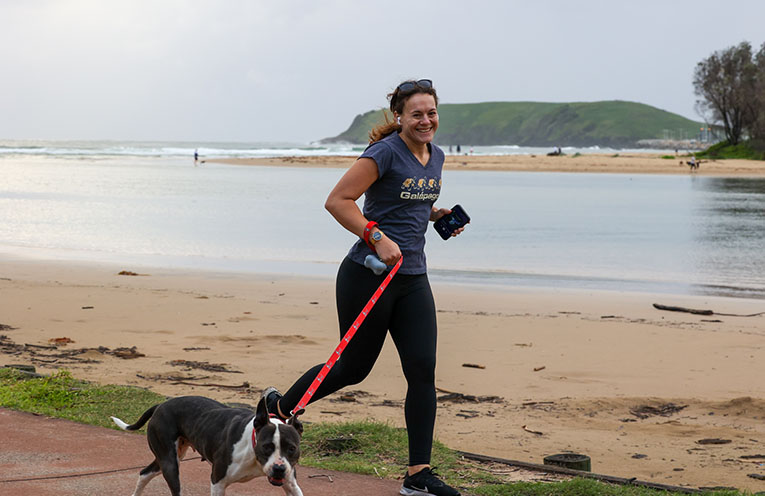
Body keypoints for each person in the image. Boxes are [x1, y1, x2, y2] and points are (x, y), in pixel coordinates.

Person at [265, 78, 464, 496]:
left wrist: (435, 214)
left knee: (422, 371)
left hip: (413, 277)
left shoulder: (437, 155)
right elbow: (338, 200)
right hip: (368, 275)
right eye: (416, 114)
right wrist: (376, 236)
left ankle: (418, 475)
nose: (425, 120)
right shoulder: (383, 152)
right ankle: (278, 408)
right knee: (352, 369)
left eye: (431, 113)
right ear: (399, 116)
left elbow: (408, 199)